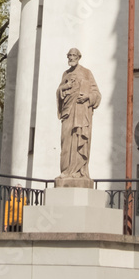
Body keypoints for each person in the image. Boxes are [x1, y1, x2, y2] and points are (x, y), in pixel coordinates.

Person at [56, 48, 101, 180]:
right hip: (67, 112)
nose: (71, 58)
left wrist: (87, 97)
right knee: (65, 141)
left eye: (74, 55)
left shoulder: (87, 73)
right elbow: (59, 91)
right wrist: (65, 87)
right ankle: (65, 171)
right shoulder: (65, 74)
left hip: (81, 113)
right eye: (69, 55)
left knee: (79, 140)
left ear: (79, 57)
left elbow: (97, 94)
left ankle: (79, 171)